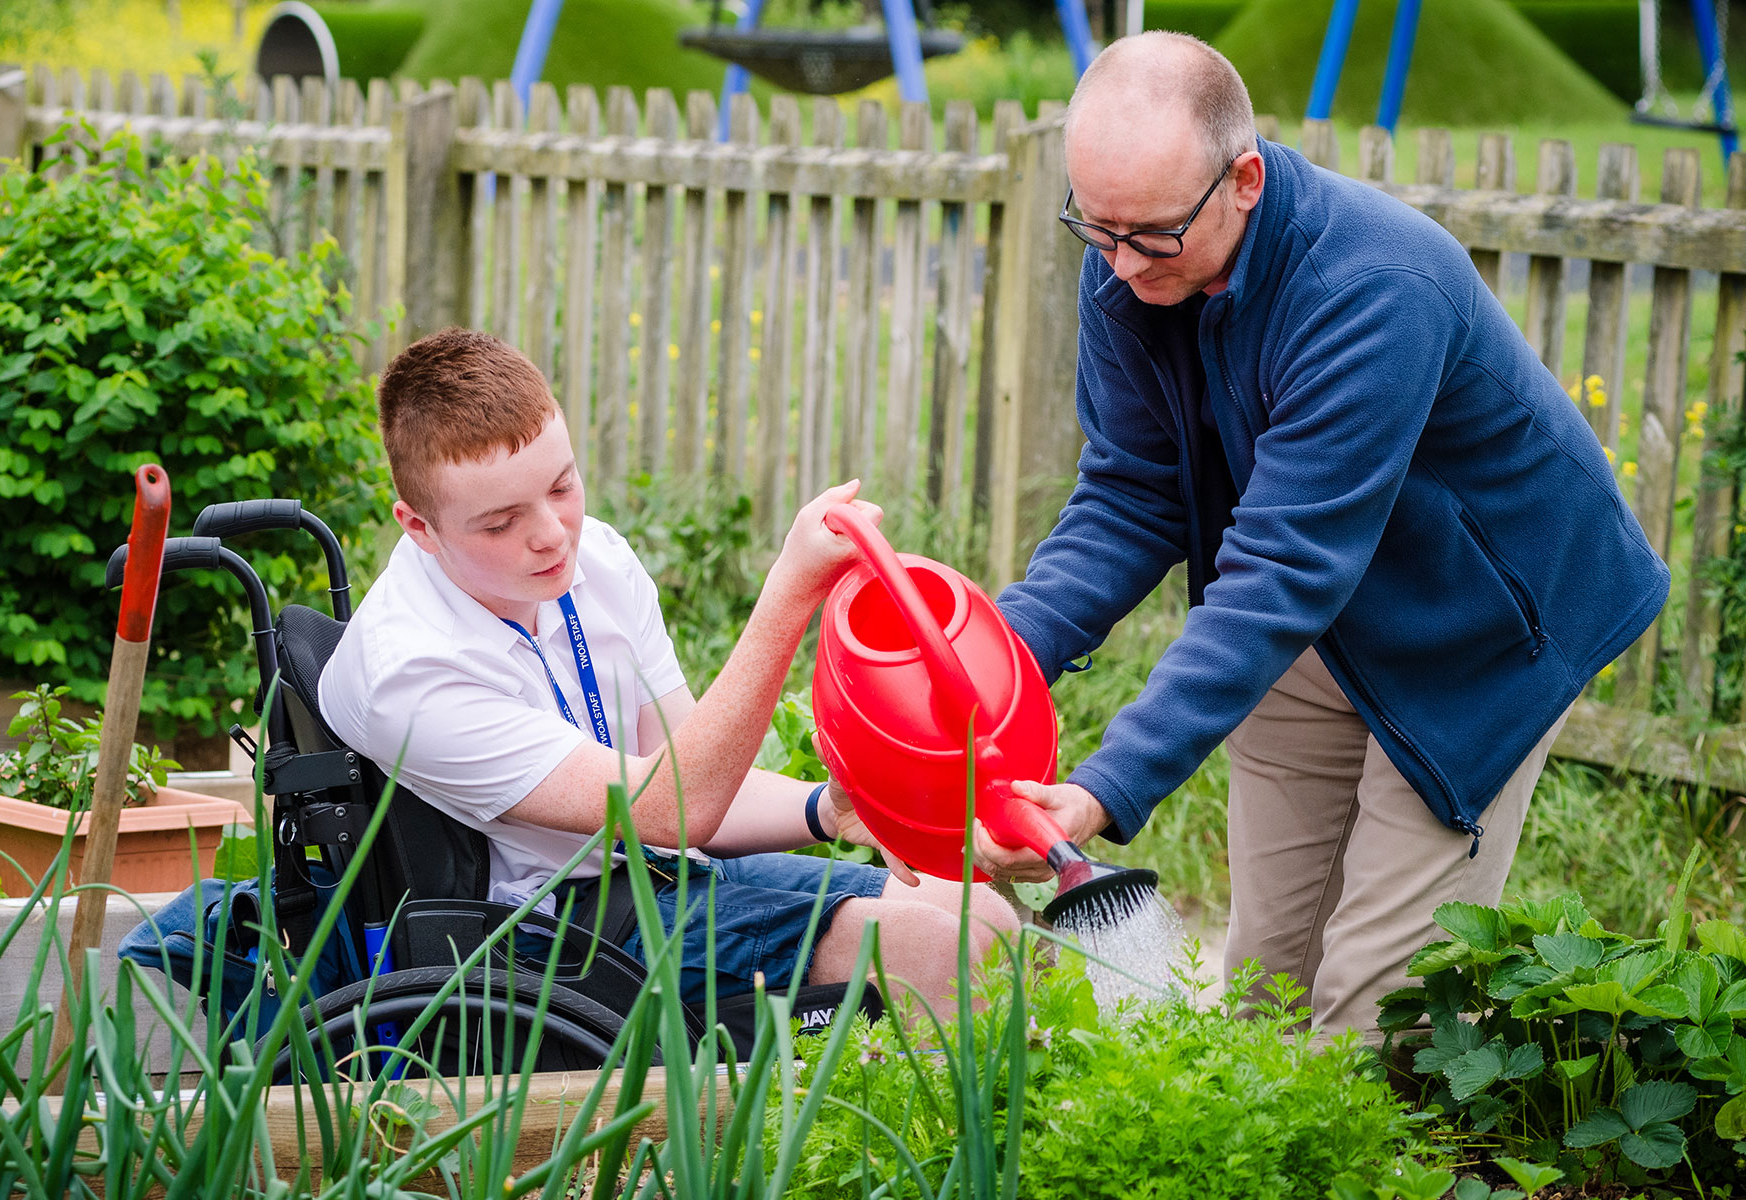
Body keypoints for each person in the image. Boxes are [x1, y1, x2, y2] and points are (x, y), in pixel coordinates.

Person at [973, 32, 1669, 1038]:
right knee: (1266, 984)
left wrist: (1101, 789)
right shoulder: (1133, 263)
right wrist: (988, 664)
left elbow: (1278, 572)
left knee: (1372, 1007)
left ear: (1243, 180)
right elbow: (1131, 493)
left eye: (1152, 235)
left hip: (1473, 627)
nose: (1121, 267)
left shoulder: (1373, 286)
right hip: (1312, 617)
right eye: (1099, 230)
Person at [320, 328, 1017, 1013]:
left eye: (562, 485)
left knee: (987, 918)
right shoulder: (408, 672)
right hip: (542, 935)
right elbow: (673, 807)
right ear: (417, 526)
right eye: (500, 524)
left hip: (658, 869)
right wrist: (790, 592)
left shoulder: (597, 557)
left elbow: (696, 780)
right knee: (933, 953)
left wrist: (828, 809)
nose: (553, 534)